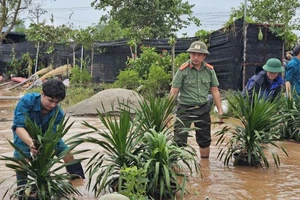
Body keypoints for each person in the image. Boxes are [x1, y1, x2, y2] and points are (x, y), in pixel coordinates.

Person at [12, 79, 85, 192]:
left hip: (47, 136)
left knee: (67, 154)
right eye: (50, 100)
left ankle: (77, 184)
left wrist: (47, 150)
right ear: (42, 94)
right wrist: (31, 143)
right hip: (24, 133)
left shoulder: (58, 113)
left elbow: (52, 135)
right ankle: (21, 190)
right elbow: (18, 127)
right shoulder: (27, 101)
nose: (52, 105)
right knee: (22, 159)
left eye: (57, 102)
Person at [169, 40, 223, 159]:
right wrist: (166, 113)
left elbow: (214, 90)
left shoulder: (209, 70)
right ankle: (175, 168)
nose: (196, 57)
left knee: (204, 140)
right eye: (193, 54)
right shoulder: (183, 70)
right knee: (179, 140)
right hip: (184, 109)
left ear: (204, 56)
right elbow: (174, 91)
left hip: (203, 108)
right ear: (190, 54)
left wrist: (220, 111)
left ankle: (205, 167)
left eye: (199, 54)